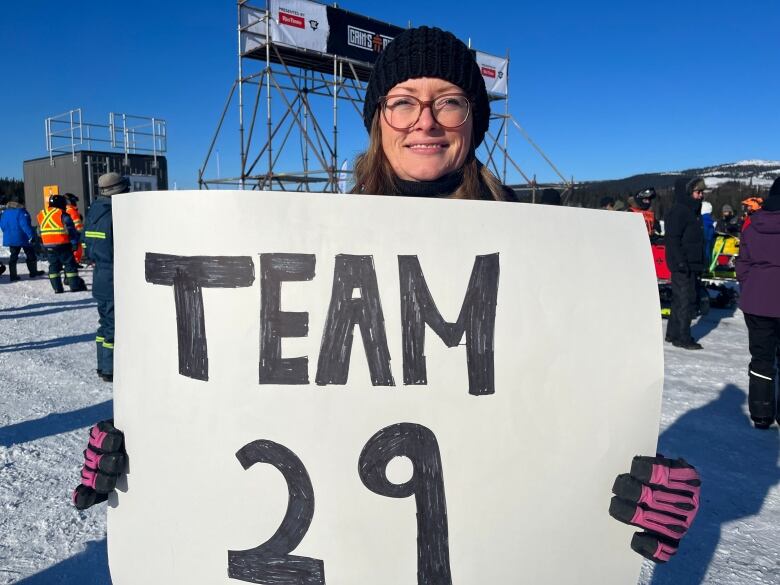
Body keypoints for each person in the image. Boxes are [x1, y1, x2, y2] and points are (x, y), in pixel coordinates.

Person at [72, 26, 701, 565]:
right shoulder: (308, 254)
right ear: (379, 119)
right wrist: (149, 451)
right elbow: (242, 395)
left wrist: (645, 479)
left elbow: (567, 407)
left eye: (448, 101)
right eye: (403, 101)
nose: (425, 120)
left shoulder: (552, 261)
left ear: (473, 121)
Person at [736, 177, 780, 429]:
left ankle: (761, 414)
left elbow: (743, 264)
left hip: (757, 300)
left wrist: (750, 287)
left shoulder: (752, 224)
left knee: (761, 357)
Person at [84, 172, 127, 382]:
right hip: (113, 280)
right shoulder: (114, 215)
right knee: (113, 326)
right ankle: (110, 368)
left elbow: (88, 248)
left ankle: (103, 364)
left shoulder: (94, 213)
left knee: (105, 324)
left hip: (100, 277)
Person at [663, 177, 706, 349]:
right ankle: (682, 337)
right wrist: (680, 262)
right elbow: (672, 239)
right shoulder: (679, 211)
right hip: (682, 264)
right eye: (698, 192)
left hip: (691, 263)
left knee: (681, 300)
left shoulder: (692, 211)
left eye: (702, 192)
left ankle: (673, 334)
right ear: (688, 193)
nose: (701, 196)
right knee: (685, 301)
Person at [36, 194, 87, 293]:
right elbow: (71, 230)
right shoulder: (62, 214)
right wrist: (74, 243)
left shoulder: (41, 214)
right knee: (69, 265)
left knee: (53, 266)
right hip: (62, 244)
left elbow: (38, 231)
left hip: (48, 246)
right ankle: (74, 286)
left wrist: (43, 243)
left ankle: (57, 288)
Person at [0, 196, 44, 281]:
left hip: (11, 238)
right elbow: (25, 226)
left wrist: (8, 233)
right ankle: (33, 272)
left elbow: (2, 225)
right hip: (23, 238)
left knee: (13, 256)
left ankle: (13, 276)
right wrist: (31, 236)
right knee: (30, 255)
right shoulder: (21, 212)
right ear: (20, 203)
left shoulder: (5, 213)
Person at [65, 193, 85, 265]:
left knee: (77, 248)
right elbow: (76, 224)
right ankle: (74, 262)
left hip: (75, 232)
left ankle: (75, 261)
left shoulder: (71, 210)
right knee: (76, 248)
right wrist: (80, 232)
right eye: (74, 201)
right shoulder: (71, 210)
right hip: (76, 233)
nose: (75, 203)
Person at [700, 200, 716, 267]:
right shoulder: (710, 221)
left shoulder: (702, 220)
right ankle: (707, 266)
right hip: (709, 240)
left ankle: (704, 266)